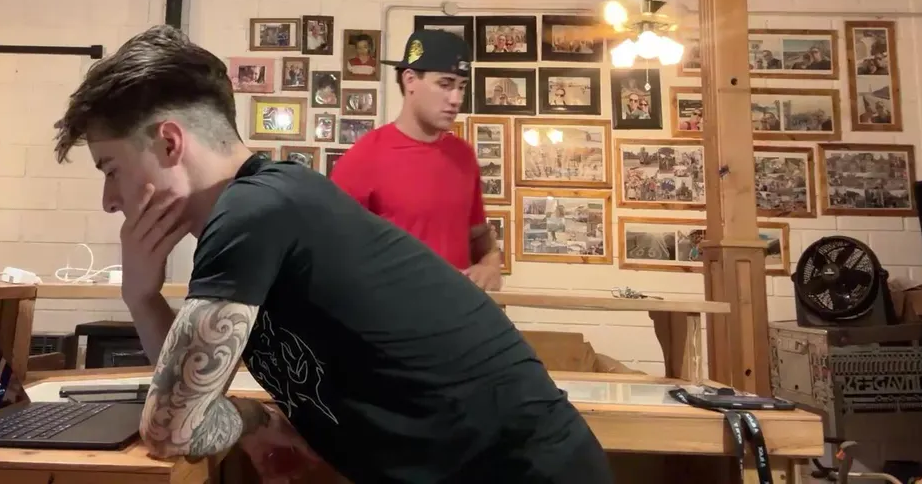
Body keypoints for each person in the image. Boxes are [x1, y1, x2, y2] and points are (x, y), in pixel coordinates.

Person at [53, 25, 611, 483]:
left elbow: (171, 427)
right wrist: (143, 297)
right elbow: (187, 406)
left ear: (170, 143)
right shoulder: (268, 201)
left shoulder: (251, 213)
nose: (109, 201)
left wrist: (253, 418)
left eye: (110, 170)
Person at [330, 29, 503, 290]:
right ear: (410, 80)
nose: (456, 99)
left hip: (456, 310)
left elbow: (479, 236)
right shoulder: (363, 158)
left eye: (461, 87)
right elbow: (333, 254)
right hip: (389, 312)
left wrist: (490, 265)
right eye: (445, 84)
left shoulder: (463, 156)